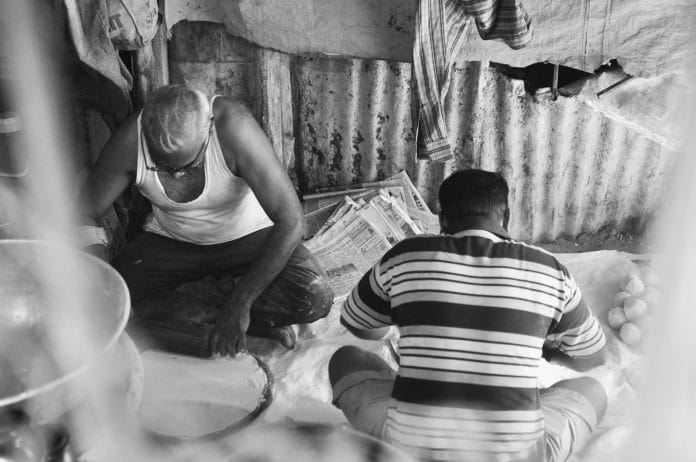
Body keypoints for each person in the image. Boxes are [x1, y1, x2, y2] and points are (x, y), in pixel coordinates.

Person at [328, 169, 608, 462]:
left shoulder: (405, 256)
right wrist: (548, 352)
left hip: (408, 454)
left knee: (346, 360)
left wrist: (399, 329)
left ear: (441, 219)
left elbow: (356, 322)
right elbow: (593, 357)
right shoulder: (550, 270)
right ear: (506, 217)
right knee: (591, 390)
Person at [82, 84, 333, 356]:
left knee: (314, 295)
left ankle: (201, 318)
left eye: (188, 166)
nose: (176, 176)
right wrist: (103, 286)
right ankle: (237, 321)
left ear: (208, 131)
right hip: (172, 242)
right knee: (110, 307)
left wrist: (241, 303)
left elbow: (292, 220)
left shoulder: (233, 125)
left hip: (246, 238)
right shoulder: (132, 139)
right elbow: (84, 213)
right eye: (162, 167)